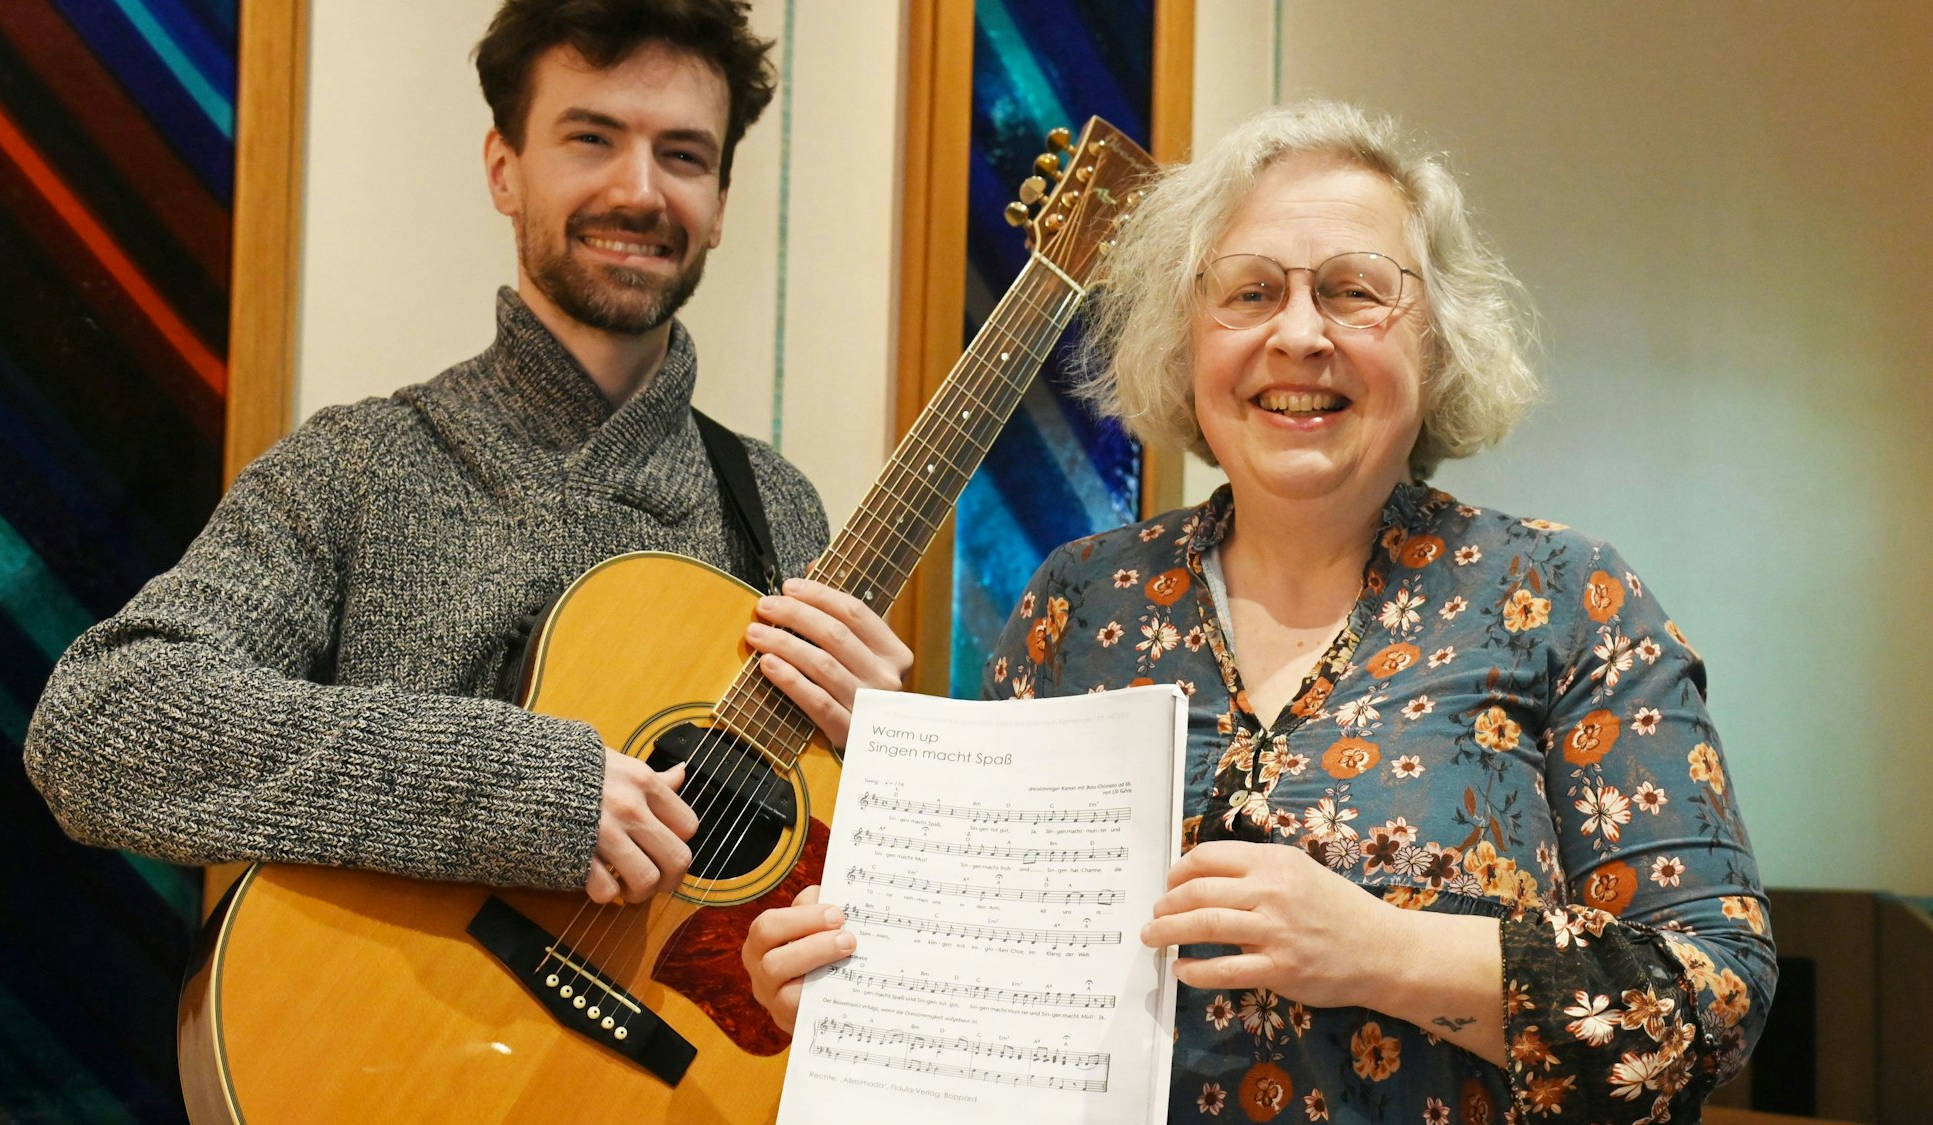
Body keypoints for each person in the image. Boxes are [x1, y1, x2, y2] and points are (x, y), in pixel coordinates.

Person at [744, 100, 1773, 1121]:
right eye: (1249, 292)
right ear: (1184, 340)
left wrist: (1384, 950)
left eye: (1354, 291)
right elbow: (1002, 979)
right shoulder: (1079, 599)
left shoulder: (1564, 596)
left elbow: (1715, 998)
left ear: (1437, 342)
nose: (1299, 335)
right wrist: (855, 984)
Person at [24, 0, 910, 910]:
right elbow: (97, 724)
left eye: (683, 155)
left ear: (719, 203)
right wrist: (528, 788)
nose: (641, 192)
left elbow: (807, 894)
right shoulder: (356, 464)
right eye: (592, 139)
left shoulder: (776, 506)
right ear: (504, 170)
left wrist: (888, 762)